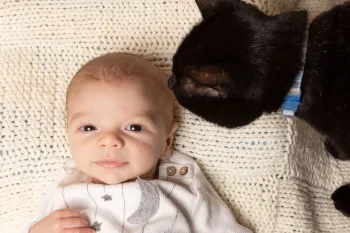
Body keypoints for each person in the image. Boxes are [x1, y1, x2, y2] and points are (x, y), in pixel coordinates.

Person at [25, 53, 252, 233]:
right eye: (88, 128)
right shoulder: (65, 195)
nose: (109, 141)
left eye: (134, 127)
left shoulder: (183, 194)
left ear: (167, 141)